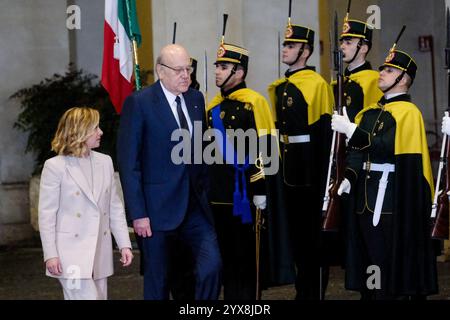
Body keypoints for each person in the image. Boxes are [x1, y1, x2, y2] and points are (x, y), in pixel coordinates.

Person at [332, 37, 438, 299]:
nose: (381, 73)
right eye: (382, 68)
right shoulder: (369, 113)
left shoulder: (408, 113)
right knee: (368, 260)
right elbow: (358, 153)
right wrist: (348, 176)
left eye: (389, 70)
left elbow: (385, 146)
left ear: (403, 78)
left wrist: (352, 131)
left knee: (385, 261)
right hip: (364, 199)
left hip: (390, 201)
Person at [117, 44, 222, 300]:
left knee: (212, 266)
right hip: (156, 212)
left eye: (189, 68)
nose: (186, 75)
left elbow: (201, 152)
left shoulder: (196, 99)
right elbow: (129, 164)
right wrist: (138, 214)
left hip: (195, 208)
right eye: (179, 70)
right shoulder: (139, 103)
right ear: (161, 71)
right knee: (158, 282)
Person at [267, 19, 334, 300]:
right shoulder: (280, 87)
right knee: (295, 238)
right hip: (287, 173)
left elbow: (324, 139)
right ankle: (301, 290)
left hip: (310, 175)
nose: (285, 49)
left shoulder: (316, 85)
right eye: (284, 44)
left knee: (313, 241)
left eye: (291, 45)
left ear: (305, 52)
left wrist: (323, 184)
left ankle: (313, 292)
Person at [206, 36, 276, 299]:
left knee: (248, 258)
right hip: (218, 195)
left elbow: (265, 146)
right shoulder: (213, 106)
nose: (217, 71)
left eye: (223, 68)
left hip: (246, 194)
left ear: (240, 72)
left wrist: (260, 187)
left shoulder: (254, 102)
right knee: (226, 261)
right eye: (217, 66)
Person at [38, 107, 133, 300]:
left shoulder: (105, 161)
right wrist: (50, 254)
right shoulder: (55, 166)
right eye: (95, 128)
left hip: (100, 251)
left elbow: (114, 207)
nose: (101, 132)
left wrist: (124, 244)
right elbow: (46, 214)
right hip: (69, 255)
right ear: (80, 131)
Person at [336, 12, 383, 121]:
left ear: (363, 49)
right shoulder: (340, 81)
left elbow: (374, 119)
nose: (342, 46)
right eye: (342, 42)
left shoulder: (373, 80)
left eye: (348, 43)